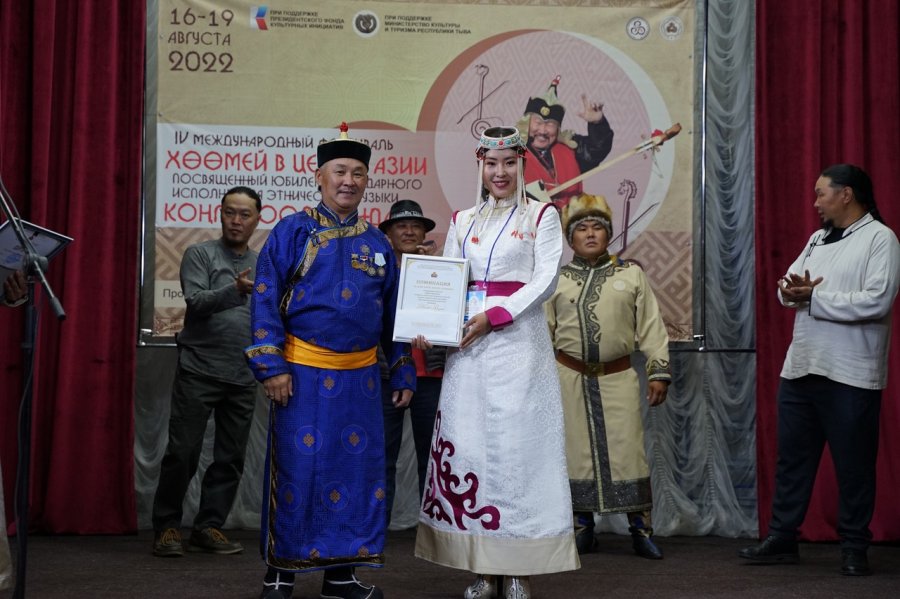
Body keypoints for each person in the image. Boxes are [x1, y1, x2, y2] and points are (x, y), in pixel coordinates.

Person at [245, 123, 416, 599]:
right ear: (319, 176)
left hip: (362, 382)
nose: (349, 181)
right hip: (300, 375)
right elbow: (264, 298)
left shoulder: (378, 244)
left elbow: (394, 315)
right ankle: (280, 574)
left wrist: (402, 368)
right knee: (297, 472)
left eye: (358, 173)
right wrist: (272, 366)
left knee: (356, 478)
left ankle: (341, 578)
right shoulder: (292, 231)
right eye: (340, 171)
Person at [413, 126, 579, 599]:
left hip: (518, 344)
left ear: (521, 164)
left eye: (508, 163)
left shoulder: (542, 214)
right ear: (481, 166)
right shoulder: (463, 220)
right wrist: (430, 322)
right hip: (468, 348)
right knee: (470, 450)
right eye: (491, 164)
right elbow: (449, 280)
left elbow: (546, 279)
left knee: (517, 454)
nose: (500, 173)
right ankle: (483, 568)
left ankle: (519, 568)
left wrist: (496, 316)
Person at [739, 164, 899, 576]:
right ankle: (782, 538)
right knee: (792, 460)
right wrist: (791, 291)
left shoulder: (880, 238)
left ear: (846, 194)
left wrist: (813, 298)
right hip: (802, 367)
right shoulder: (816, 239)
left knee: (854, 465)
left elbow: (877, 300)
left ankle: (854, 547)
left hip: (851, 373)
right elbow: (788, 285)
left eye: (821, 193)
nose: (815, 203)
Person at [544, 193, 671, 560]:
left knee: (628, 451)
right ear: (570, 238)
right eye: (581, 228)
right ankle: (582, 528)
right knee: (575, 453)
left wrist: (658, 371)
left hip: (618, 377)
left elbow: (651, 327)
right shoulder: (556, 279)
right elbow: (544, 334)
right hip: (568, 377)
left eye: (597, 227)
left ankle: (641, 530)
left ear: (608, 234)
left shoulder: (630, 274)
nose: (589, 233)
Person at [151, 185, 262, 558]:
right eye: (230, 212)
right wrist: (236, 290)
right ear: (220, 214)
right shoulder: (199, 254)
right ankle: (167, 527)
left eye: (244, 214)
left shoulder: (264, 263)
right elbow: (196, 302)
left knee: (230, 458)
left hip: (243, 374)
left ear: (257, 219)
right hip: (199, 369)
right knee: (182, 453)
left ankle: (208, 526)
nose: (236, 220)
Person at [377, 199, 445, 528]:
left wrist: (434, 271)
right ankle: (376, 528)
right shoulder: (375, 272)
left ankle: (434, 529)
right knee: (382, 456)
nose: (408, 231)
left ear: (424, 233)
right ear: (389, 233)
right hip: (385, 374)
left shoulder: (442, 272)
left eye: (415, 226)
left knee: (432, 458)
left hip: (430, 373)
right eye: (401, 225)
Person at [516, 76, 614, 208]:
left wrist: (597, 123)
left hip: (570, 218)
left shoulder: (571, 148)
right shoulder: (511, 154)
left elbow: (597, 149)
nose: (543, 130)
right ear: (526, 123)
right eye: (538, 123)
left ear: (558, 129)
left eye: (550, 124)